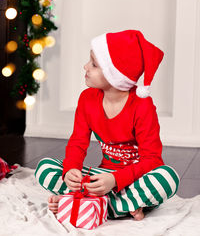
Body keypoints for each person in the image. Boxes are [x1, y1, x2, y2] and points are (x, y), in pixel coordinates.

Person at [35, 30, 180, 221]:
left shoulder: (142, 106)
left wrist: (115, 180)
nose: (86, 66)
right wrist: (71, 169)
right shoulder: (87, 99)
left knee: (168, 178)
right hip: (102, 175)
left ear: (116, 75)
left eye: (94, 64)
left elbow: (152, 160)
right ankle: (121, 205)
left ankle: (83, 203)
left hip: (133, 180)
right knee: (44, 167)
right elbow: (78, 142)